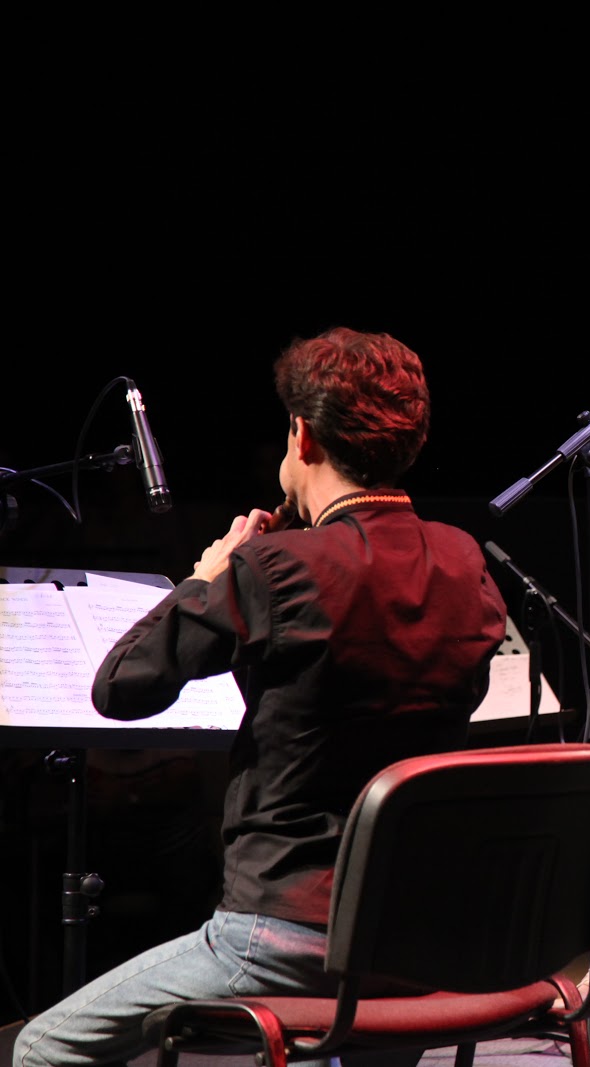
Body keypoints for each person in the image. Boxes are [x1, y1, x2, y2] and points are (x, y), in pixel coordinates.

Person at [13, 328, 508, 1067]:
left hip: (284, 934)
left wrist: (209, 577)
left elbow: (119, 687)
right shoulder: (464, 560)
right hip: (415, 937)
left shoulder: (276, 567)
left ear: (302, 436)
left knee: (39, 1047)